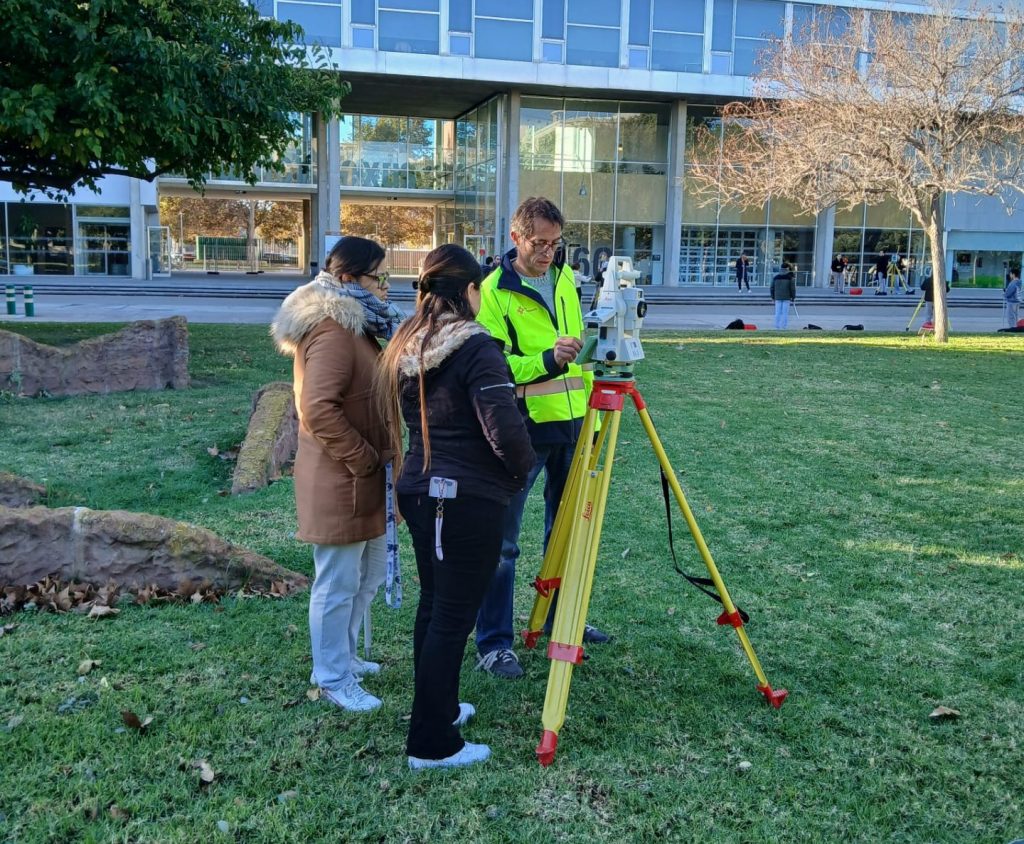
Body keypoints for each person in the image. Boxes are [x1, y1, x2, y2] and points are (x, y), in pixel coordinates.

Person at [377, 243, 535, 770]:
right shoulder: (475, 347)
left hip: (422, 491)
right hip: (463, 499)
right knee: (451, 616)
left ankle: (438, 709)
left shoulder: (408, 342)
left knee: (436, 606)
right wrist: (518, 474)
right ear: (469, 291)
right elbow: (504, 430)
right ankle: (431, 742)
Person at [473, 196, 611, 680]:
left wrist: (594, 421)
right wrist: (548, 360)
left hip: (575, 426)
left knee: (568, 534)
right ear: (515, 237)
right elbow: (493, 367)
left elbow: (582, 356)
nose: (548, 252)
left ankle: (562, 622)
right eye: (539, 243)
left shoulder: (566, 277)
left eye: (555, 243)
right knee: (503, 543)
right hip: (522, 430)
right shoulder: (493, 292)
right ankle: (494, 642)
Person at [271, 236, 403, 713]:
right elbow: (317, 409)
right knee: (337, 583)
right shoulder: (332, 330)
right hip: (342, 480)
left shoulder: (358, 324)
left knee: (367, 575)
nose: (386, 286)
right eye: (378, 277)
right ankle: (331, 677)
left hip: (365, 479)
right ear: (348, 279)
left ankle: (343, 658)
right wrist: (364, 458)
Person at [770, 261, 796, 329]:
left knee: (777, 312)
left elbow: (772, 288)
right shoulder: (790, 278)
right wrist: (793, 297)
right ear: (787, 268)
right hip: (786, 297)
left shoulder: (775, 277)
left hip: (777, 297)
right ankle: (784, 326)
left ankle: (777, 325)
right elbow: (792, 289)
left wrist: (773, 297)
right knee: (785, 313)